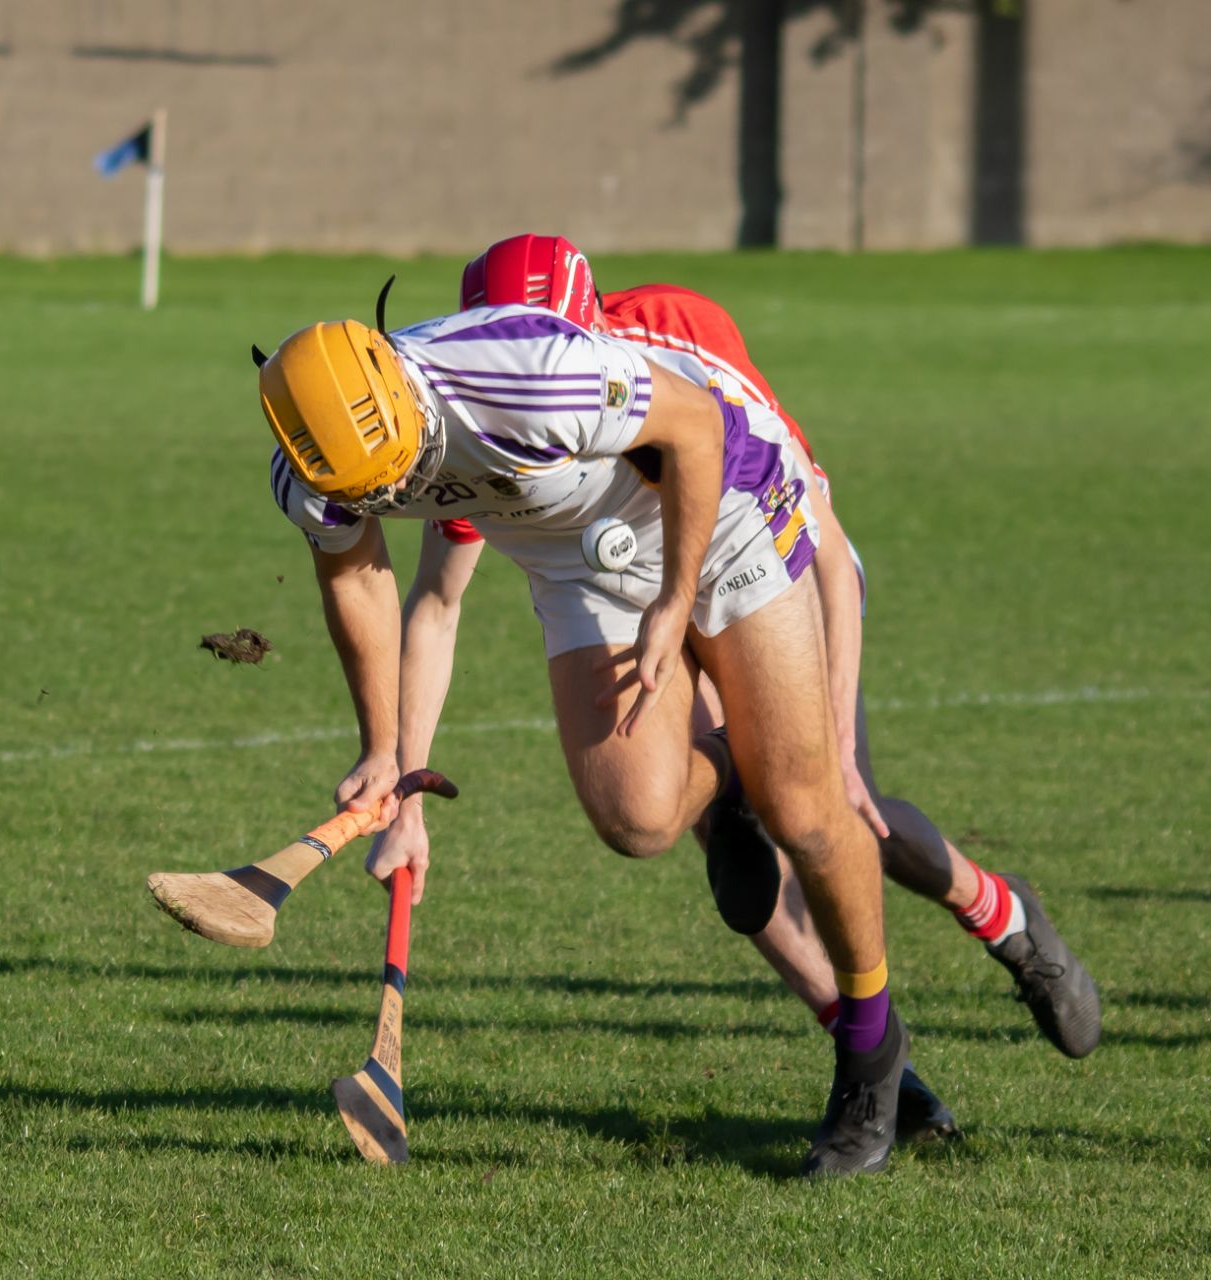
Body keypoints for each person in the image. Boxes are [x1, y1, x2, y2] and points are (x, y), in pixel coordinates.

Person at [368, 234, 1101, 1073]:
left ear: (590, 328)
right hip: (632, 596)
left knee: (842, 810)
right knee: (705, 829)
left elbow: (820, 536)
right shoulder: (496, 415)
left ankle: (1004, 917)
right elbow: (437, 600)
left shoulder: (675, 336)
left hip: (770, 551)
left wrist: (825, 716)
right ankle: (866, 1049)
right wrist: (406, 792)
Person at [258, 295, 908, 1175]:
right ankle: (737, 771)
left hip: (724, 505)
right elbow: (361, 579)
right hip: (578, 555)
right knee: (637, 820)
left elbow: (697, 429)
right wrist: (384, 750)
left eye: (403, 476)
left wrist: (676, 606)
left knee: (808, 810)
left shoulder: (527, 374)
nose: (398, 498)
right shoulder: (314, 471)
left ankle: (870, 1053)